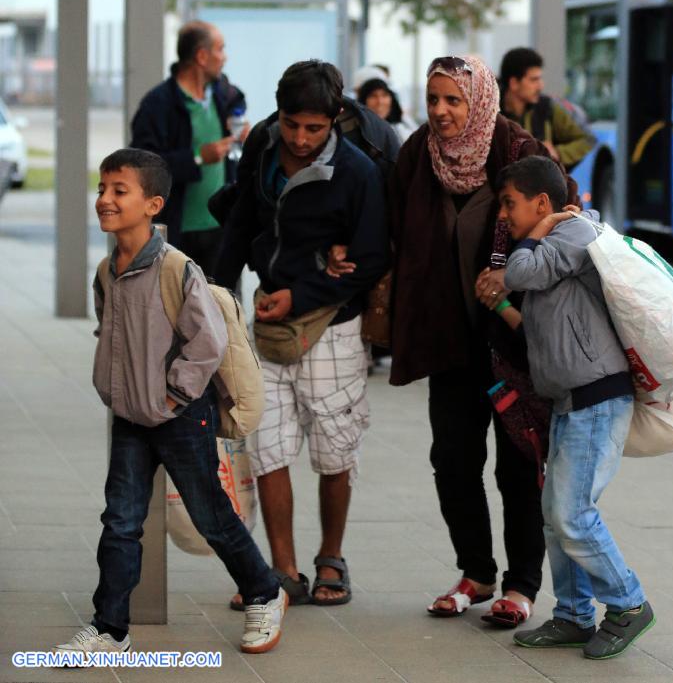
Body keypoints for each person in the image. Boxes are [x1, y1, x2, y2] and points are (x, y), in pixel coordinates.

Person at [54, 149, 287, 659]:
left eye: (120, 190)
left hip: (182, 416)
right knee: (120, 521)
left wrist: (174, 394)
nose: (105, 200)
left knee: (212, 517)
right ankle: (110, 628)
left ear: (153, 204)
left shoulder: (177, 269)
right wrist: (116, 391)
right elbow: (109, 331)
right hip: (131, 418)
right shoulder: (106, 269)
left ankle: (265, 591)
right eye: (102, 189)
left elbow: (207, 342)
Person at [388, 54, 571, 628]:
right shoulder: (418, 154)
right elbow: (395, 229)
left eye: (454, 100)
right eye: (433, 98)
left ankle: (520, 586)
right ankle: (476, 572)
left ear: (481, 100)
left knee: (519, 466)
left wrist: (514, 275)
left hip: (515, 343)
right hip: (449, 340)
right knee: (453, 460)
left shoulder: (521, 153)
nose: (441, 111)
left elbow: (568, 223)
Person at [214, 60, 390, 609]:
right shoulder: (263, 150)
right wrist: (218, 301)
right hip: (267, 325)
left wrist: (306, 292)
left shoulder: (358, 172)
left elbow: (372, 259)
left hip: (333, 328)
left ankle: (329, 557)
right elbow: (241, 224)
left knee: (335, 450)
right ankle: (281, 571)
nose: (301, 138)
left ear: (335, 119)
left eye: (314, 128)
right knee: (267, 447)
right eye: (292, 124)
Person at [485, 155, 654, 660]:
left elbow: (518, 271)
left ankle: (629, 603)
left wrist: (537, 232)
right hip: (571, 399)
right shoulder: (561, 242)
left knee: (573, 514)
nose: (502, 216)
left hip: (597, 397)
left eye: (509, 204)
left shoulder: (574, 233)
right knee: (554, 516)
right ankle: (574, 615)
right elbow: (542, 324)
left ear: (541, 203)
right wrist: (496, 306)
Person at [130, 20, 248, 272]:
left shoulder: (223, 96)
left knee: (221, 306)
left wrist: (245, 132)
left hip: (221, 229)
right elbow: (141, 166)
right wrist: (197, 157)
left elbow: (239, 106)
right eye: (220, 49)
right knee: (176, 306)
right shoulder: (157, 104)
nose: (224, 58)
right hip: (176, 233)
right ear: (202, 56)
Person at [499, 47, 595, 169]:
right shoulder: (490, 113)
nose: (540, 86)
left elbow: (587, 139)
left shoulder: (547, 108)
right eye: (534, 80)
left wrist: (557, 153)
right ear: (514, 83)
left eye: (540, 78)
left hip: (541, 186)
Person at [357, 75, 417, 144]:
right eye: (373, 96)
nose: (380, 101)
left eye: (384, 95)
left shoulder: (401, 131)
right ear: (363, 101)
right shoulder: (355, 132)